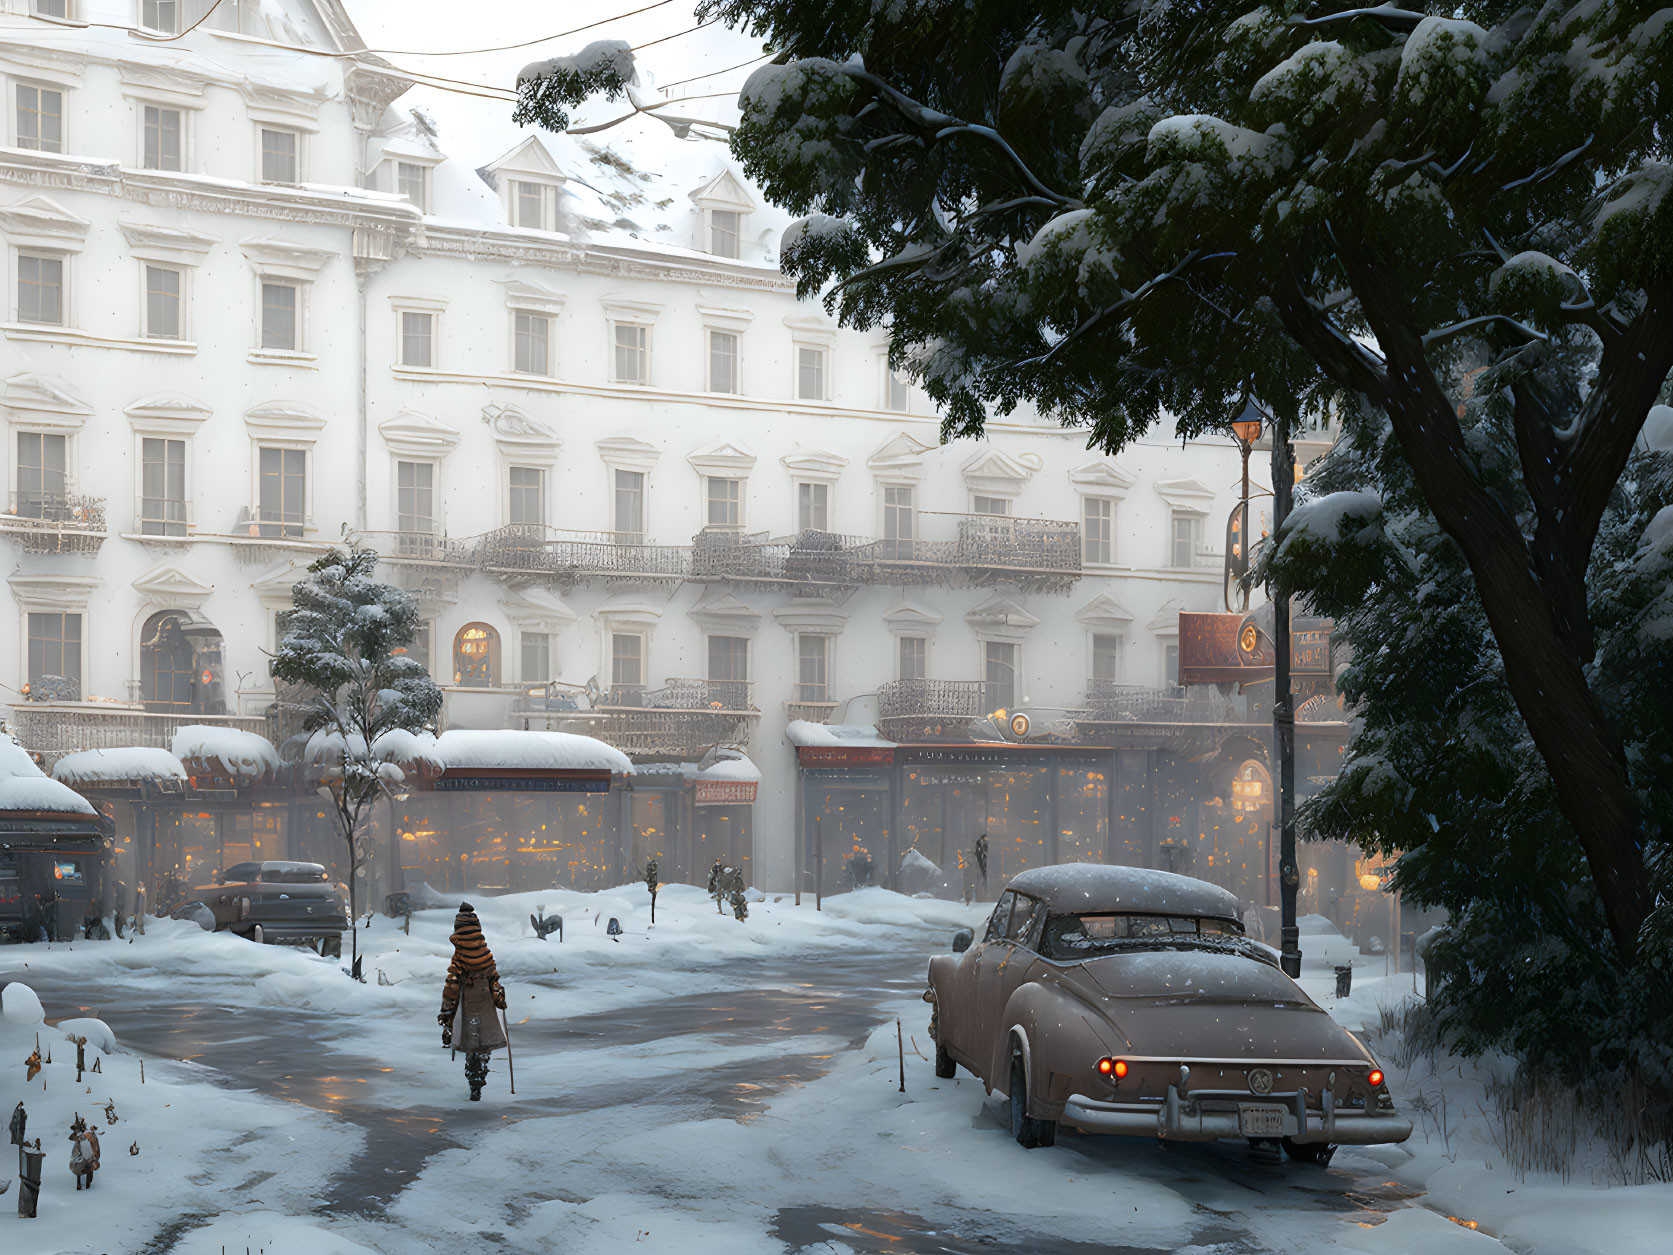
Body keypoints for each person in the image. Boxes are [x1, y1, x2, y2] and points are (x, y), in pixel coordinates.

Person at [437, 902, 508, 1101]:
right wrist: (499, 998)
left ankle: (473, 1080)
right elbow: (494, 977)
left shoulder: (459, 956)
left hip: (467, 1002)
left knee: (471, 1042)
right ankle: (481, 1072)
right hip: (485, 1001)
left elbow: (452, 984)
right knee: (483, 1042)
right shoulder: (485, 952)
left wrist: (447, 1008)